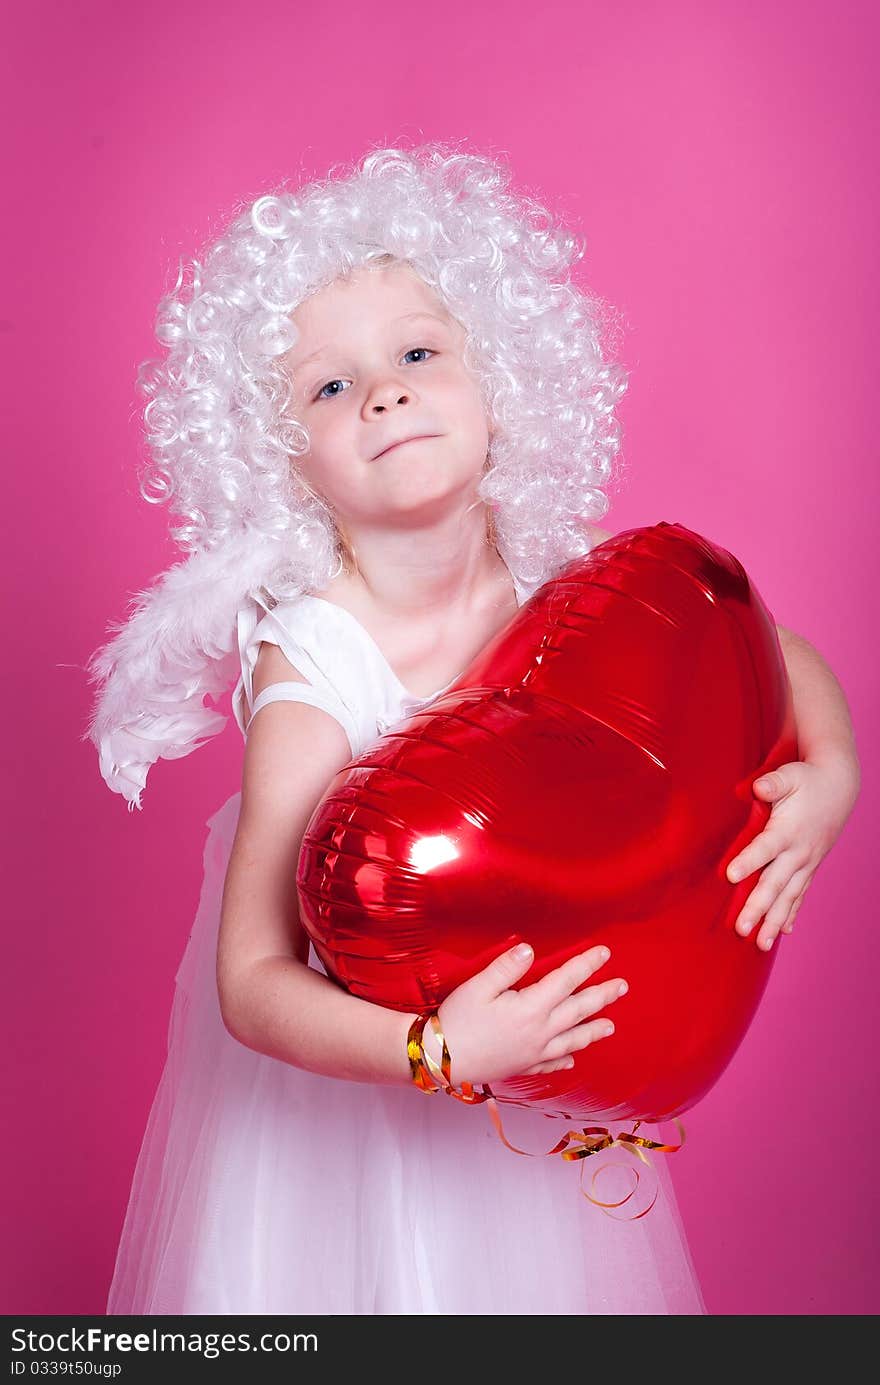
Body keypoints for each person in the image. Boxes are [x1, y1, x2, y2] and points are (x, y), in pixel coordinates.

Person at [85, 145, 860, 1315]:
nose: (383, 394)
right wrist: (435, 1053)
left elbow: (773, 653)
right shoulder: (315, 663)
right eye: (326, 387)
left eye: (415, 354)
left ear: (501, 380)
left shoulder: (569, 594)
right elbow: (250, 981)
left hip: (529, 1086)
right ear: (277, 457)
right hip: (358, 1115)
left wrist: (835, 771)